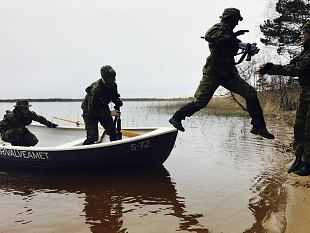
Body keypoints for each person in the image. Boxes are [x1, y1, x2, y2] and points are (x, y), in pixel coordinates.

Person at [169, 8, 274, 139]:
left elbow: (232, 44)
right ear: (229, 18)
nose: (237, 23)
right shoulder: (218, 28)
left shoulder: (230, 33)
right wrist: (232, 39)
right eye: (236, 20)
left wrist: (244, 46)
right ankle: (176, 118)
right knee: (200, 102)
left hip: (228, 74)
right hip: (213, 73)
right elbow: (209, 35)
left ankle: (259, 127)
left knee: (251, 94)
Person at [256, 21, 310, 176]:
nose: (301, 35)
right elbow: (292, 65)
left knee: (308, 130)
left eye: (304, 32)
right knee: (298, 127)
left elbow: (296, 69)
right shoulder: (305, 52)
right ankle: (298, 158)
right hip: (305, 95)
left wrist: (272, 69)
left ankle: (308, 162)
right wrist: (270, 68)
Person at [81, 65, 123, 145]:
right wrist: (110, 113)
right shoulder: (96, 90)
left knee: (112, 131)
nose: (114, 80)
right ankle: (83, 151)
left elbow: (114, 95)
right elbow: (93, 111)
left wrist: (117, 101)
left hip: (102, 107)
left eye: (114, 77)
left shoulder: (114, 85)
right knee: (93, 137)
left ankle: (114, 149)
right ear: (105, 78)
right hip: (89, 111)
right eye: (111, 78)